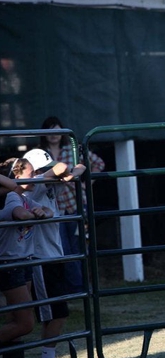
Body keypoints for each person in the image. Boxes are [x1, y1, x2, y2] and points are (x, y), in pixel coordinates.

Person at [23, 149, 86, 358]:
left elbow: (77, 170)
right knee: (56, 314)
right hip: (42, 259)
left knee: (55, 314)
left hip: (53, 256)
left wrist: (73, 172)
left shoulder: (49, 184)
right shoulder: (37, 184)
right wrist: (63, 172)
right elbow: (61, 169)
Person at [0, 158, 53, 358]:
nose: (36, 176)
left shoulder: (23, 196)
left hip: (23, 261)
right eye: (32, 173)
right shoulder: (12, 196)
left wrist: (42, 211)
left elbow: (48, 211)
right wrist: (35, 214)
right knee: (25, 323)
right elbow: (20, 214)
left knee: (17, 319)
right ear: (16, 175)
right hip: (10, 264)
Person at [39, 116, 105, 293]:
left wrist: (85, 183)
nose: (53, 135)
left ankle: (81, 287)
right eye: (49, 131)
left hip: (77, 205)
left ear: (62, 133)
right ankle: (74, 288)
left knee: (81, 247)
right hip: (54, 209)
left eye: (57, 131)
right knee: (62, 249)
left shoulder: (71, 150)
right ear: (44, 133)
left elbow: (97, 163)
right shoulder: (39, 155)